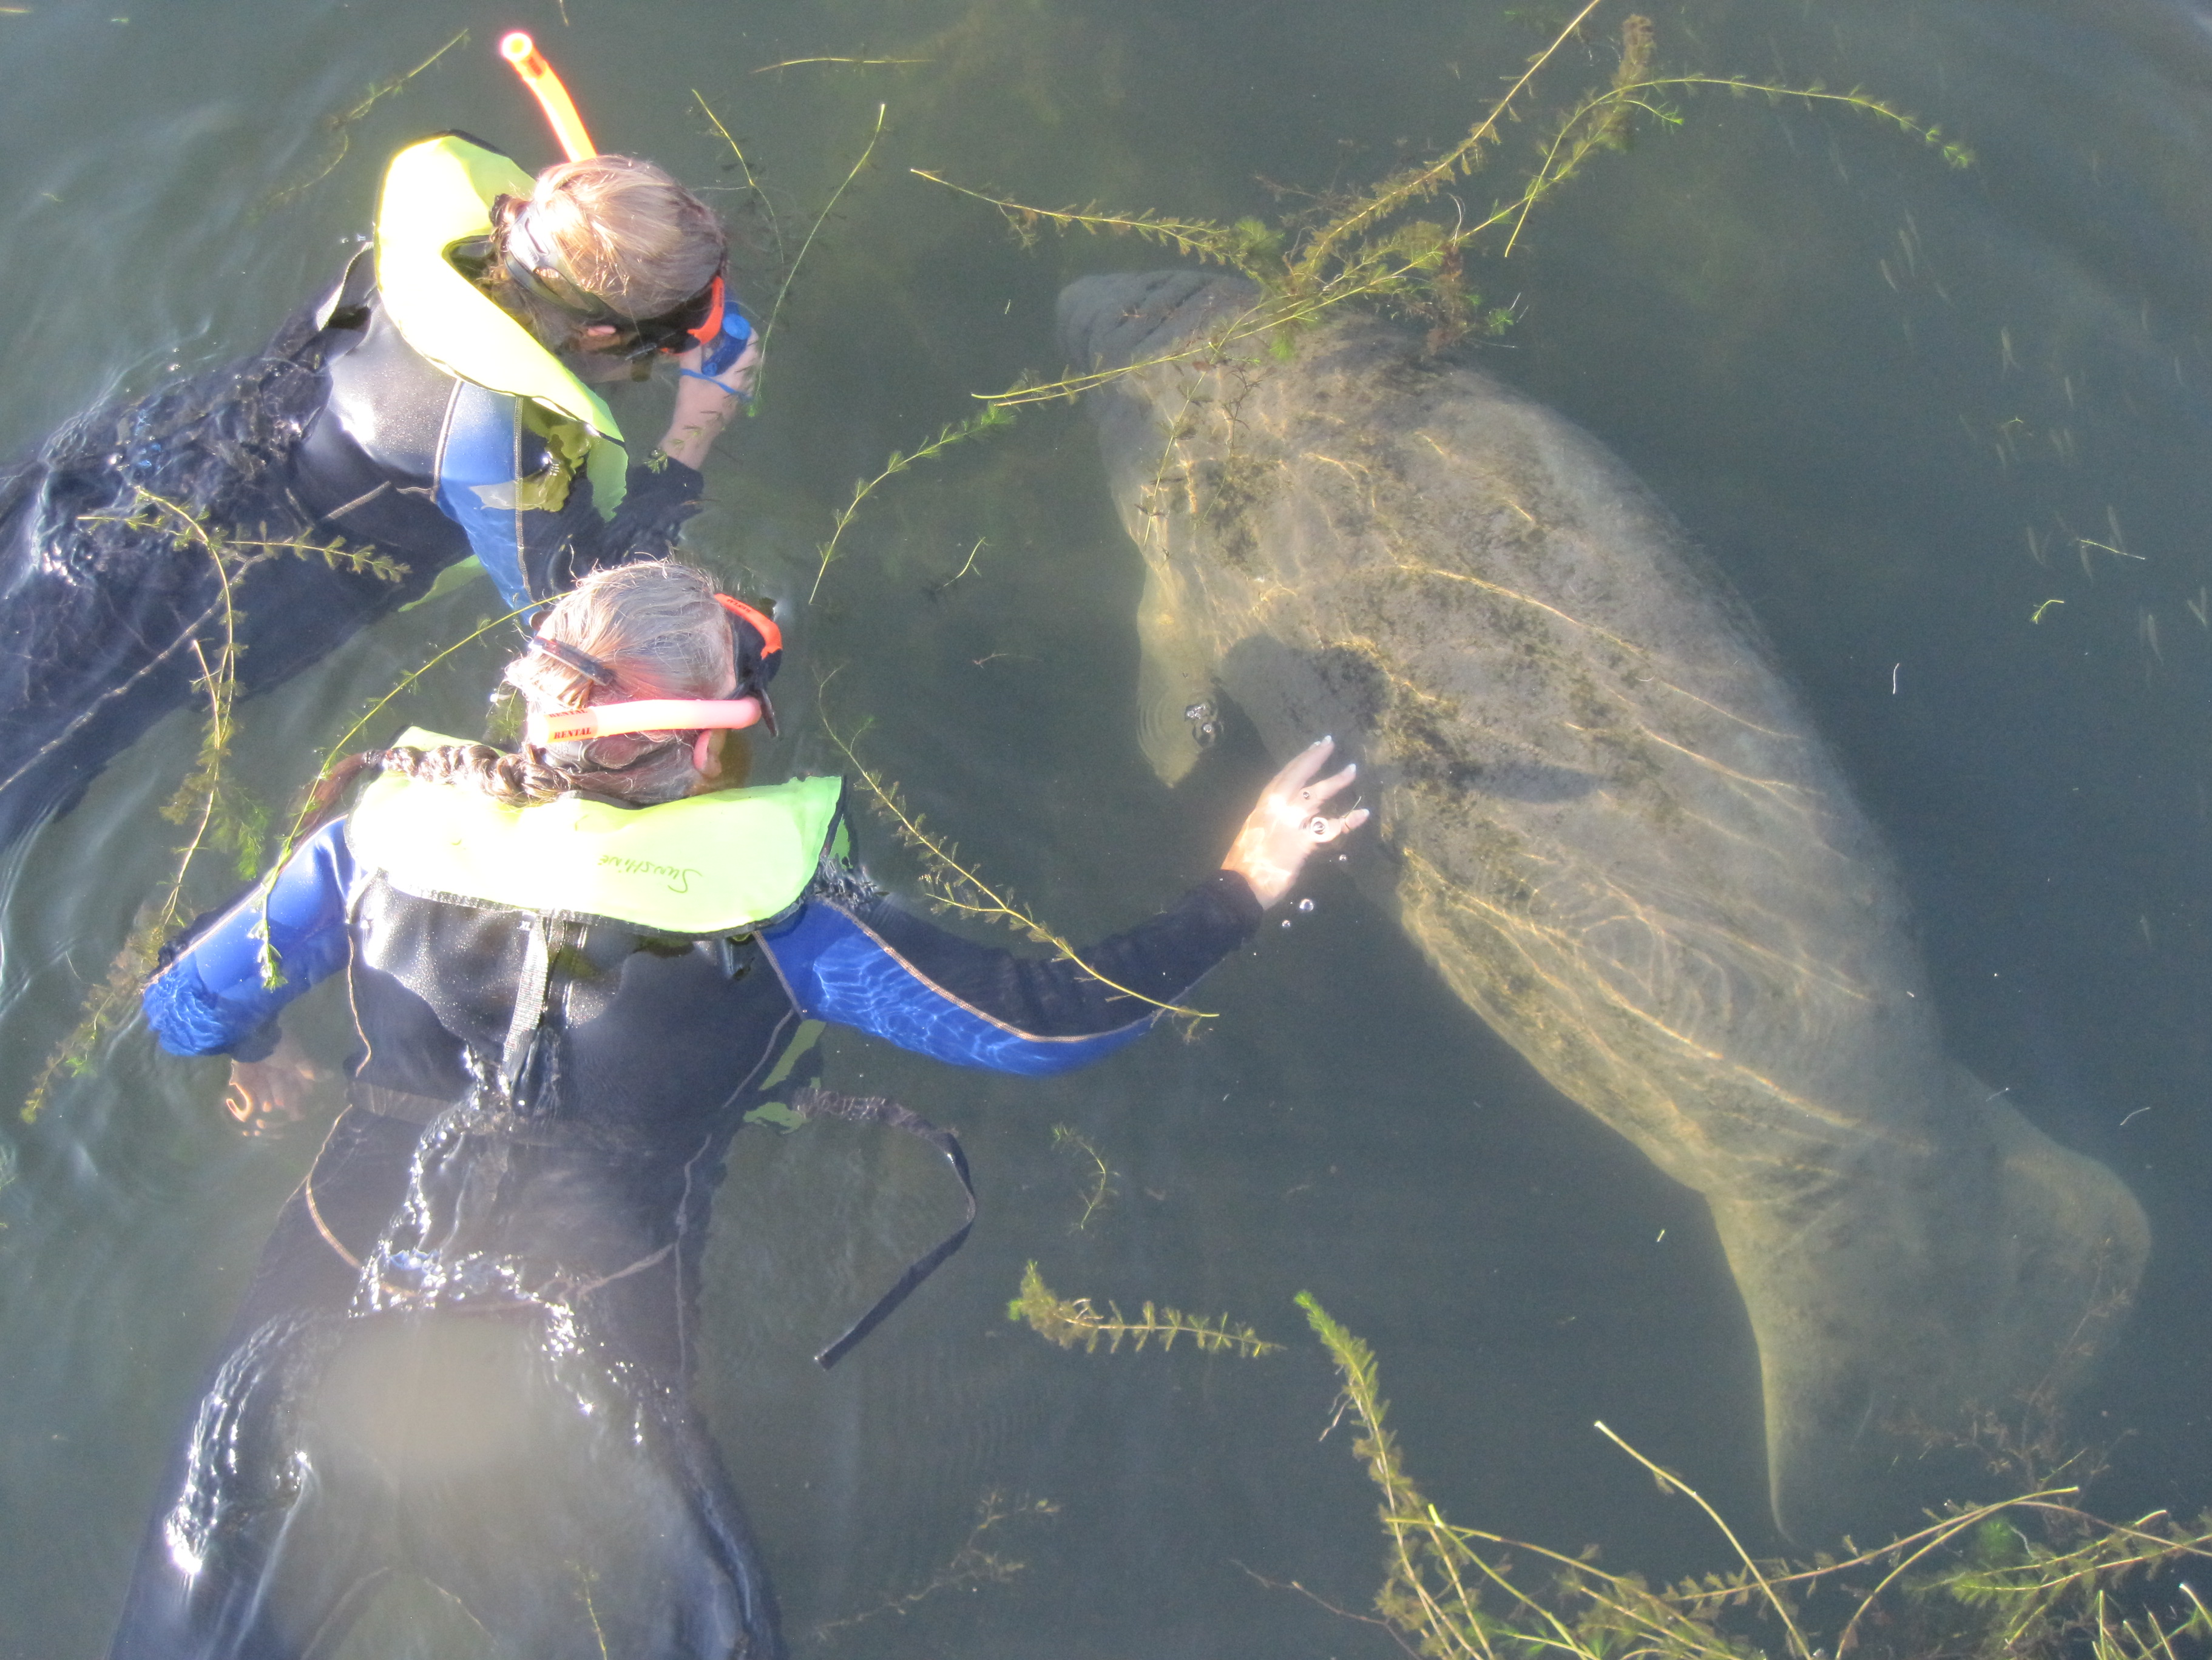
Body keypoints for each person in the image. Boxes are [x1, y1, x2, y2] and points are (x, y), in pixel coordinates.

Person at [117, 559, 1367, 1659]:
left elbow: (183, 1006)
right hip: (573, 1383)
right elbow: (1047, 1029)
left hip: (315, 1338)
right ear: (712, 749)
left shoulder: (369, 850)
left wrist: (258, 1055)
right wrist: (1243, 884)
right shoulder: (782, 928)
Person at [0, 134, 760, 852]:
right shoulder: (500, 444)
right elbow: (577, 625)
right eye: (679, 330)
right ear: (599, 335)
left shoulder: (410, 264)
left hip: (115, 474)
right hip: (168, 611)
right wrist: (691, 437)